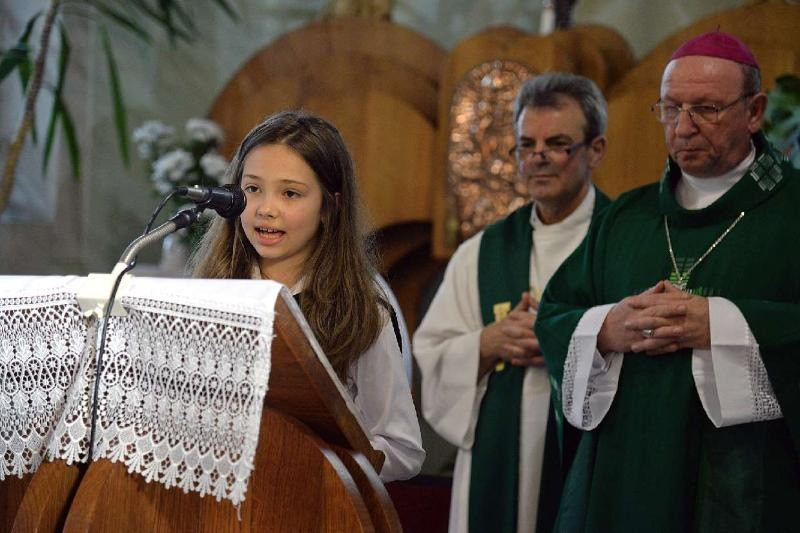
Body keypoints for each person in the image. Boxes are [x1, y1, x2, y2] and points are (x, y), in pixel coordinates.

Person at [536, 32, 800, 531]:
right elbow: (553, 316)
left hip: (746, 487)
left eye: (706, 109)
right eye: (671, 108)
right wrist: (607, 328)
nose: (683, 127)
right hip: (624, 477)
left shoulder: (792, 210)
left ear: (755, 111)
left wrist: (724, 325)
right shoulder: (625, 218)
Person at [413, 73, 611, 532]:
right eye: (526, 145)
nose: (538, 157)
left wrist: (563, 338)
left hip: (593, 458)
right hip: (497, 459)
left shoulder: (624, 239)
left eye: (557, 144)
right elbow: (432, 352)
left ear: (595, 150)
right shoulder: (482, 253)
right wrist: (488, 342)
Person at [192, 110, 425, 482]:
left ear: (330, 205)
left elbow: (402, 449)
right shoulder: (210, 291)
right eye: (253, 189)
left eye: (290, 193)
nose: (266, 209)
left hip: (312, 497)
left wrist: (317, 460)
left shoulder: (362, 310)